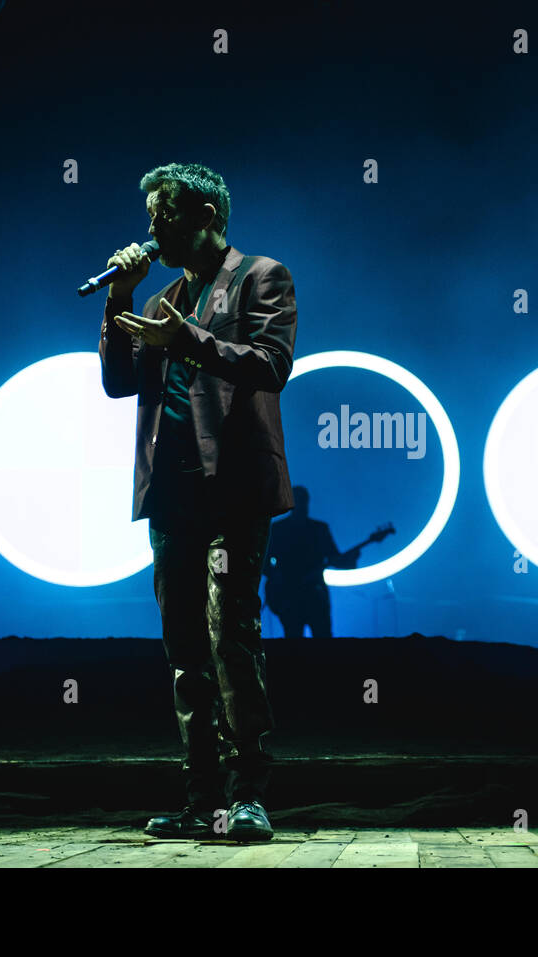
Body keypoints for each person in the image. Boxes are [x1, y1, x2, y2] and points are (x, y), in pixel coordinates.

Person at [98, 162, 296, 843]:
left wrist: (188, 339)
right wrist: (118, 296)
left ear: (205, 215)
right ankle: (201, 798)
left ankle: (247, 796)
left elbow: (271, 363)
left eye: (164, 215)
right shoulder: (158, 300)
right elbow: (120, 384)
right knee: (185, 649)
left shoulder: (260, 276)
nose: (151, 228)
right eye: (150, 216)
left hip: (232, 491)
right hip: (172, 496)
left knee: (229, 639)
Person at [262, 486, 360, 637]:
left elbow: (336, 560)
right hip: (301, 596)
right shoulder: (285, 530)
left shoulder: (281, 529)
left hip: (306, 596)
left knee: (305, 639)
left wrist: (351, 559)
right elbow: (264, 563)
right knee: (308, 639)